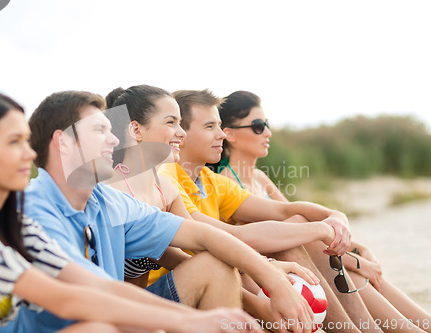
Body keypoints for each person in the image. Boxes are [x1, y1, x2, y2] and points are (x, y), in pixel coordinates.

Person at [0, 92, 262, 333]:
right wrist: (185, 321)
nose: (29, 152)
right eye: (14, 142)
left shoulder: (11, 221)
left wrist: (197, 320)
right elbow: (66, 300)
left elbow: (99, 286)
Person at [1, 90, 315, 333]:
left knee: (213, 266)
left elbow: (204, 235)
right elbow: (91, 294)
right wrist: (185, 321)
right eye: (100, 130)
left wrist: (272, 279)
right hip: (84, 321)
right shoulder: (31, 209)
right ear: (64, 143)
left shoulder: (107, 201)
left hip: (112, 315)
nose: (114, 138)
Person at [158, 89, 394, 333]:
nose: (221, 134)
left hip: (225, 276)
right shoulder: (167, 177)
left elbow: (283, 210)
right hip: (188, 285)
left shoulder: (210, 180)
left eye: (220, 125)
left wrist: (334, 216)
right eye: (210, 127)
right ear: (183, 135)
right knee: (294, 235)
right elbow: (231, 237)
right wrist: (320, 230)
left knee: (298, 223)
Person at [104, 85, 327, 326]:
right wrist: (271, 279)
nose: (181, 132)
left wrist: (266, 280)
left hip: (144, 304)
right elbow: (209, 244)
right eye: (171, 123)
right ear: (136, 129)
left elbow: (196, 250)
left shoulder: (164, 191)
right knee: (215, 264)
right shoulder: (112, 191)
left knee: (218, 261)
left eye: (180, 123)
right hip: (111, 312)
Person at [216, 90, 431, 333]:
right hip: (274, 273)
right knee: (355, 272)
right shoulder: (226, 184)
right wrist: (356, 262)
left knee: (357, 271)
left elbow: (305, 230)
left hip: (308, 263)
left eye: (266, 124)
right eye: (257, 126)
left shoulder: (259, 178)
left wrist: (358, 250)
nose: (268, 132)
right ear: (229, 134)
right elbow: (296, 234)